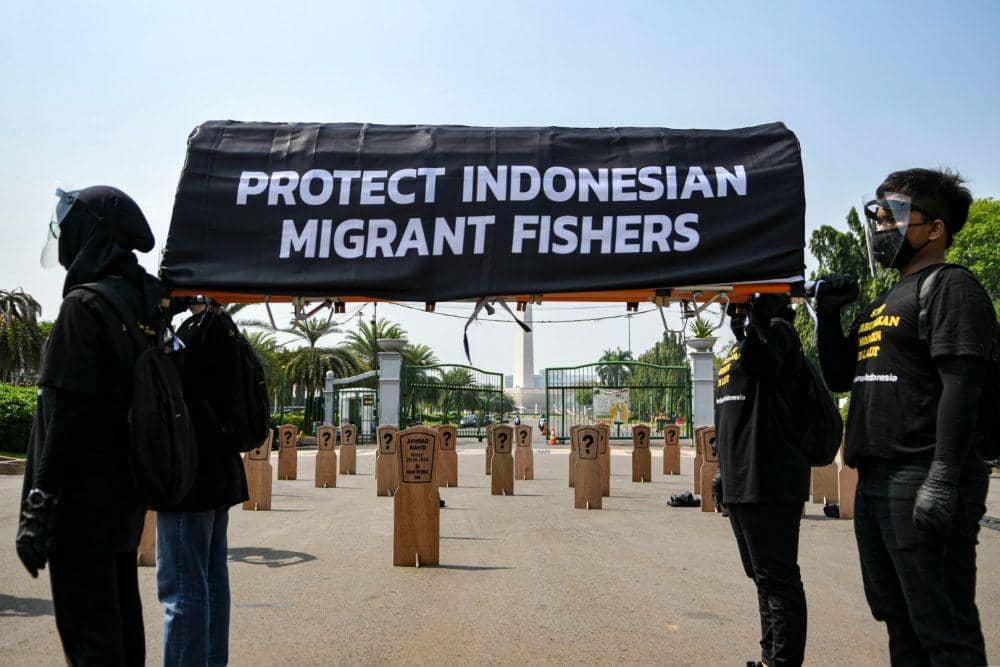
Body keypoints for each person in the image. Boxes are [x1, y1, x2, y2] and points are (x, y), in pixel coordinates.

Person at [815, 168, 993, 665]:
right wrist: (827, 316)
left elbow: (963, 385)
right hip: (876, 479)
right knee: (897, 618)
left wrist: (942, 478)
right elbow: (839, 375)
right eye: (876, 215)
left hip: (922, 474)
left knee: (943, 627)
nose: (880, 227)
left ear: (934, 229)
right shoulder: (885, 301)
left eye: (892, 215)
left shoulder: (950, 287)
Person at [17, 186, 163, 665]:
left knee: (89, 636)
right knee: (120, 622)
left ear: (90, 234)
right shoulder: (143, 302)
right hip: (122, 497)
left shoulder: (84, 307)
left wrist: (40, 507)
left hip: (80, 505)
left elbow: (66, 417)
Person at [716, 294, 811, 667]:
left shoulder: (779, 333)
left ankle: (782, 661)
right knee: (761, 576)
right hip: (741, 479)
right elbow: (732, 414)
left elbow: (762, 365)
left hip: (767, 478)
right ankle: (770, 656)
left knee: (777, 578)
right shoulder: (747, 341)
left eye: (745, 300)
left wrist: (753, 321)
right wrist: (723, 470)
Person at [156, 299, 250, 666]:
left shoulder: (192, 338)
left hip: (190, 477)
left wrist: (162, 313)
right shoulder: (229, 332)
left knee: (181, 588)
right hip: (220, 473)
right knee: (211, 581)